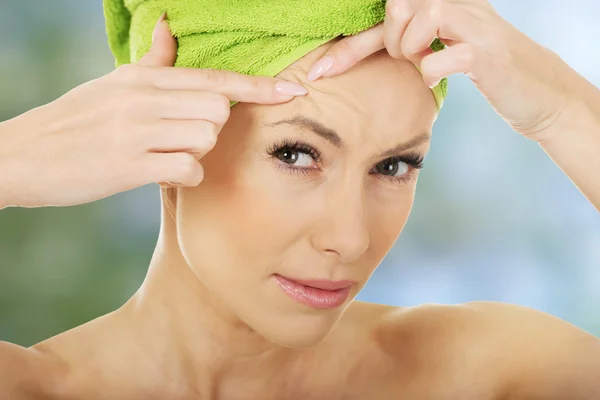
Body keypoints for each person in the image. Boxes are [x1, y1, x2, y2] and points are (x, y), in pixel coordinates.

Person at [1, 0, 599, 399]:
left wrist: (563, 109)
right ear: (160, 134)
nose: (351, 238)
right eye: (296, 154)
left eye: (394, 165)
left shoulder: (478, 374)